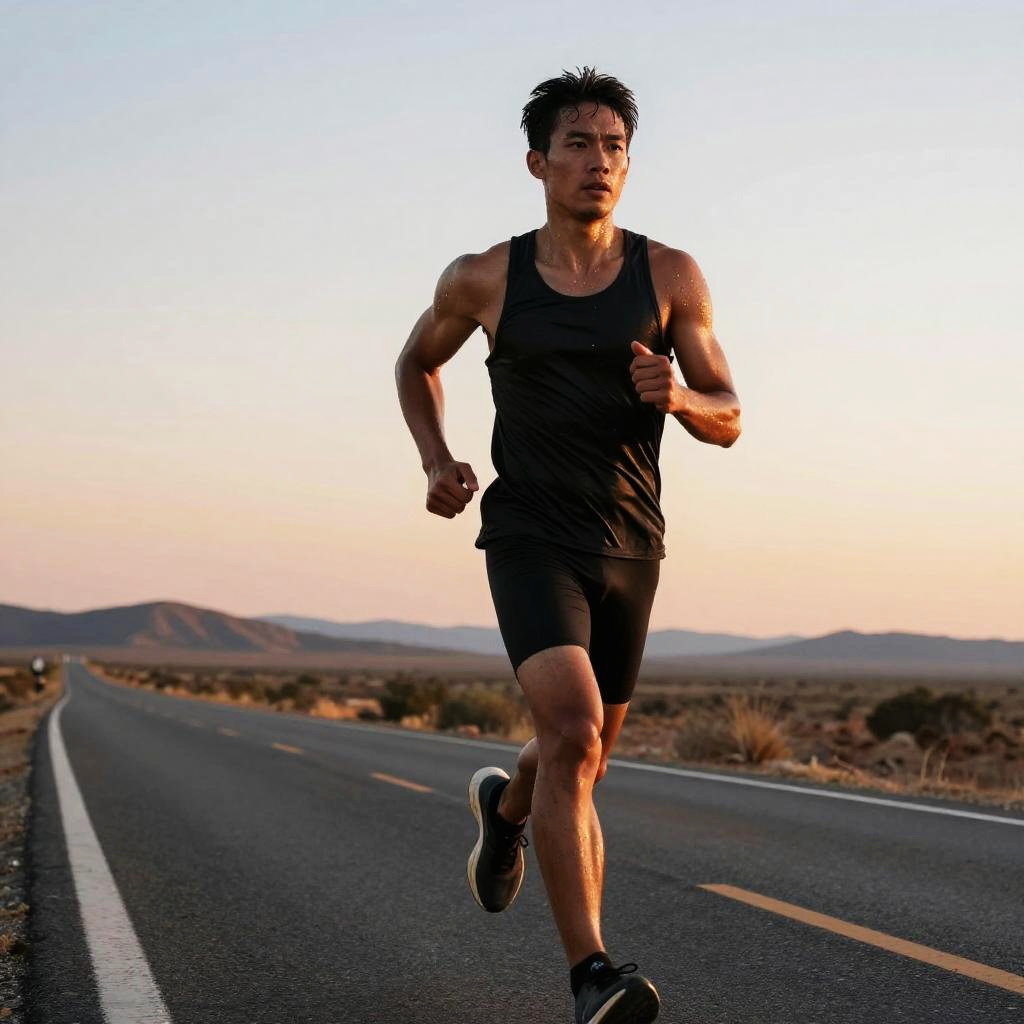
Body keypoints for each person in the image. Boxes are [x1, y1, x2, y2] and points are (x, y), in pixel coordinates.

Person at [395, 67, 741, 1024]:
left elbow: (731, 412)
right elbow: (417, 361)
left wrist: (679, 397)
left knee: (579, 759)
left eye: (617, 146)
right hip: (528, 532)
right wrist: (437, 459)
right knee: (576, 730)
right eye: (581, 144)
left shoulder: (669, 274)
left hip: (631, 542)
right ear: (538, 161)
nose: (601, 161)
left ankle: (505, 813)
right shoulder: (485, 277)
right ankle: (594, 974)